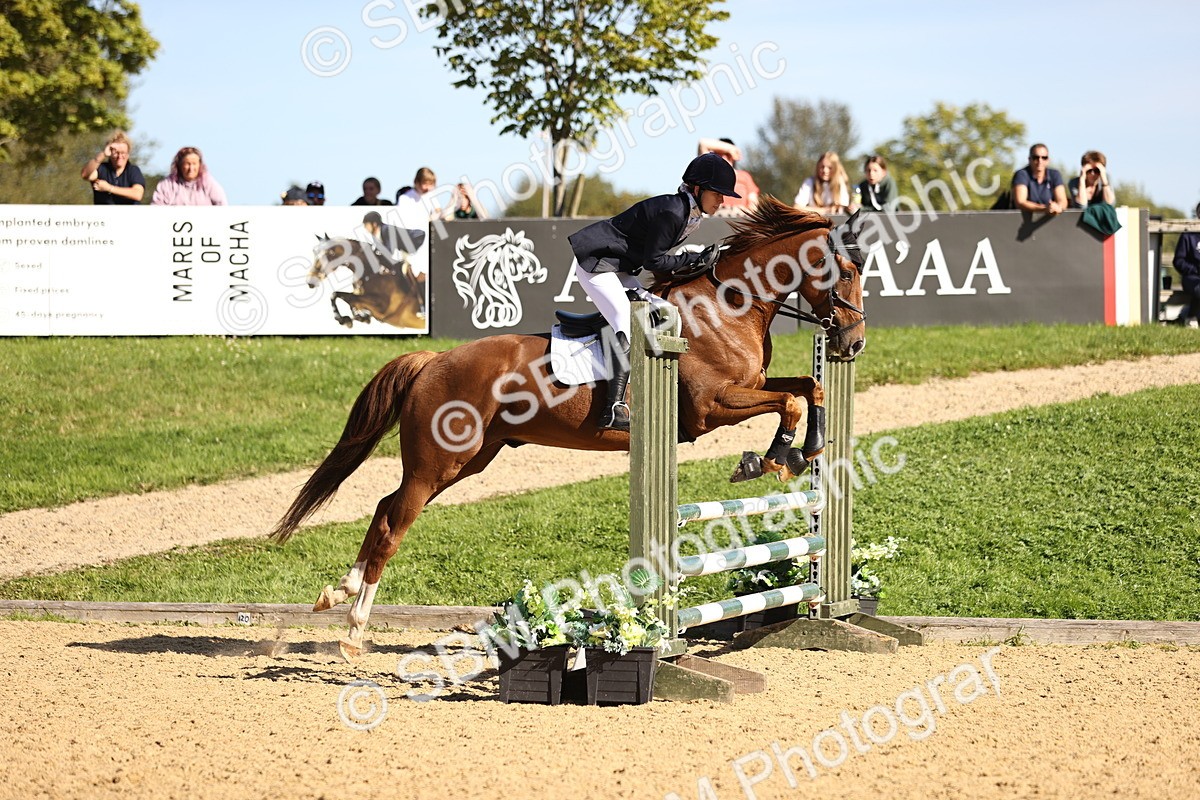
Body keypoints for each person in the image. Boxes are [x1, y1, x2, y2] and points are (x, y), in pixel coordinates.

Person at [568, 152, 737, 431]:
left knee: (665, 311)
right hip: (598, 267)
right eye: (717, 194)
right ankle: (614, 407)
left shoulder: (687, 211)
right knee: (625, 322)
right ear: (697, 189)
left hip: (620, 269)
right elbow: (654, 262)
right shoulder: (673, 211)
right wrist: (691, 259)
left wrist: (692, 259)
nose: (722, 201)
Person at [362, 211, 427, 316]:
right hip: (408, 250)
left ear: (374, 224)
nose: (365, 228)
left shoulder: (387, 230)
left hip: (420, 244)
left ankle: (424, 305)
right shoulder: (375, 236)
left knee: (414, 273)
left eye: (366, 225)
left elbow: (389, 251)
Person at [80, 130, 145, 205]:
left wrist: (109, 188)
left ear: (128, 154)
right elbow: (85, 174)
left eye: (123, 153)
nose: (120, 156)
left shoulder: (133, 170)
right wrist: (103, 154)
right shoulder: (101, 169)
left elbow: (137, 194)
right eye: (116, 153)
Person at [697, 137, 760, 213]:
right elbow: (702, 143)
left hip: (739, 219)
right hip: (714, 219)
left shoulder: (744, 176)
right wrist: (730, 148)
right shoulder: (710, 175)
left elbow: (753, 204)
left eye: (727, 154)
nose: (724, 157)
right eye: (719, 154)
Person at [150, 147, 228, 206]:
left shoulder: (209, 183)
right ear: (179, 165)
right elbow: (156, 207)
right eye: (187, 164)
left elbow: (222, 205)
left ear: (200, 165)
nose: (191, 168)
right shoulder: (167, 184)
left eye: (194, 164)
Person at [1012, 144, 1067, 215]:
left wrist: (1058, 208)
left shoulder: (1055, 175)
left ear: (1048, 160)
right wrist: (1044, 208)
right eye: (1035, 157)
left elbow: (1062, 201)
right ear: (1029, 159)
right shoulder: (1022, 174)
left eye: (1044, 158)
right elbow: (1020, 202)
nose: (1040, 161)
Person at [1174, 202, 1200, 328]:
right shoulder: (1188, 234)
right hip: (1192, 277)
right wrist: (1195, 269)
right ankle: (1191, 316)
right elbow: (1178, 261)